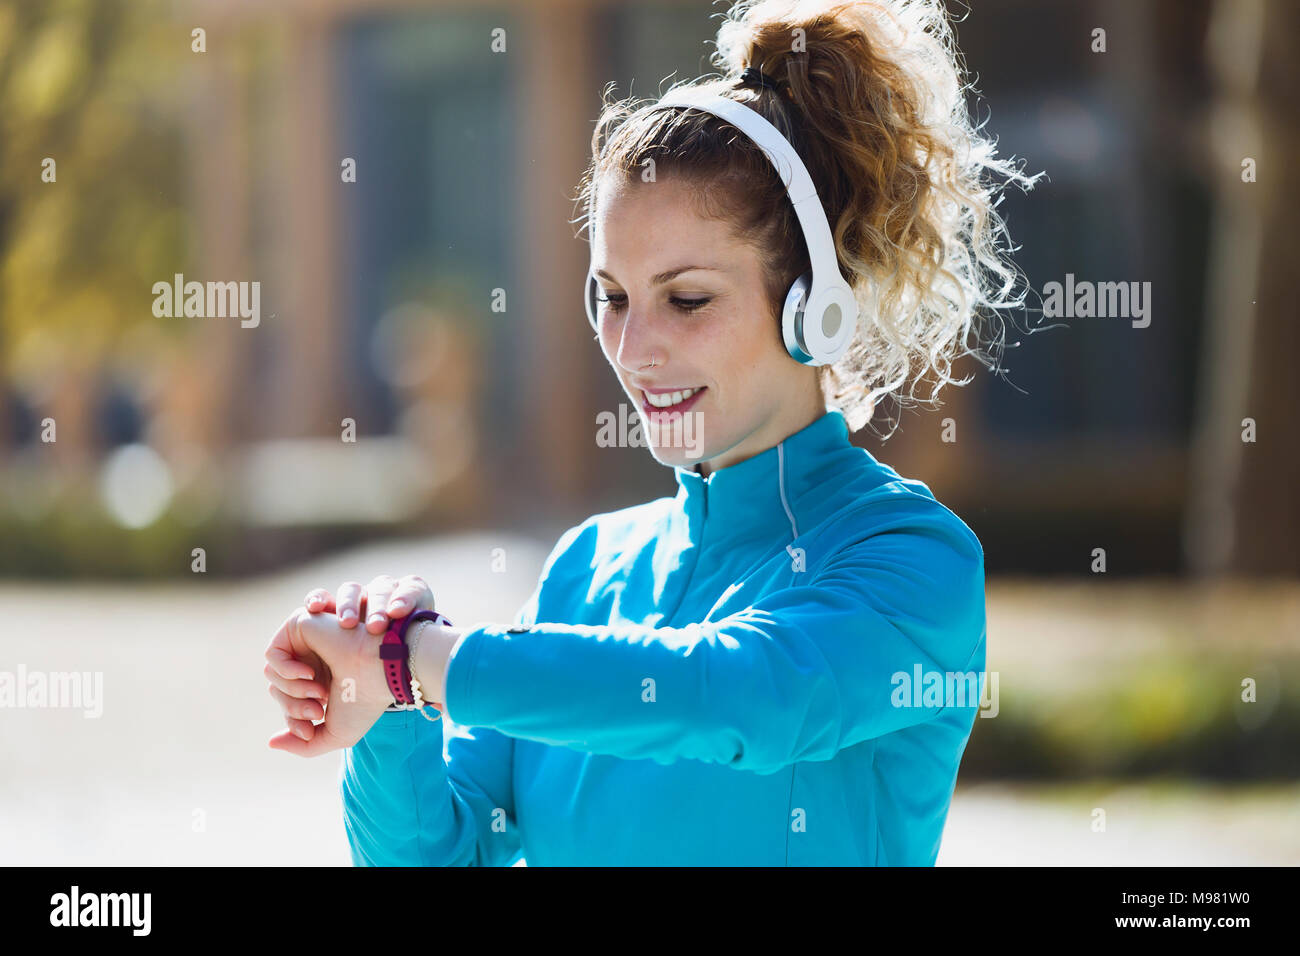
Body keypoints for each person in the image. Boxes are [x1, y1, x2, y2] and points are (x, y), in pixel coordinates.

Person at [263, 0, 1038, 865]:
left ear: (814, 309)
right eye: (613, 298)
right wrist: (387, 704)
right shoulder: (587, 568)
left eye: (688, 299)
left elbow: (734, 696)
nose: (634, 349)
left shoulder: (911, 558)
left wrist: (424, 660)